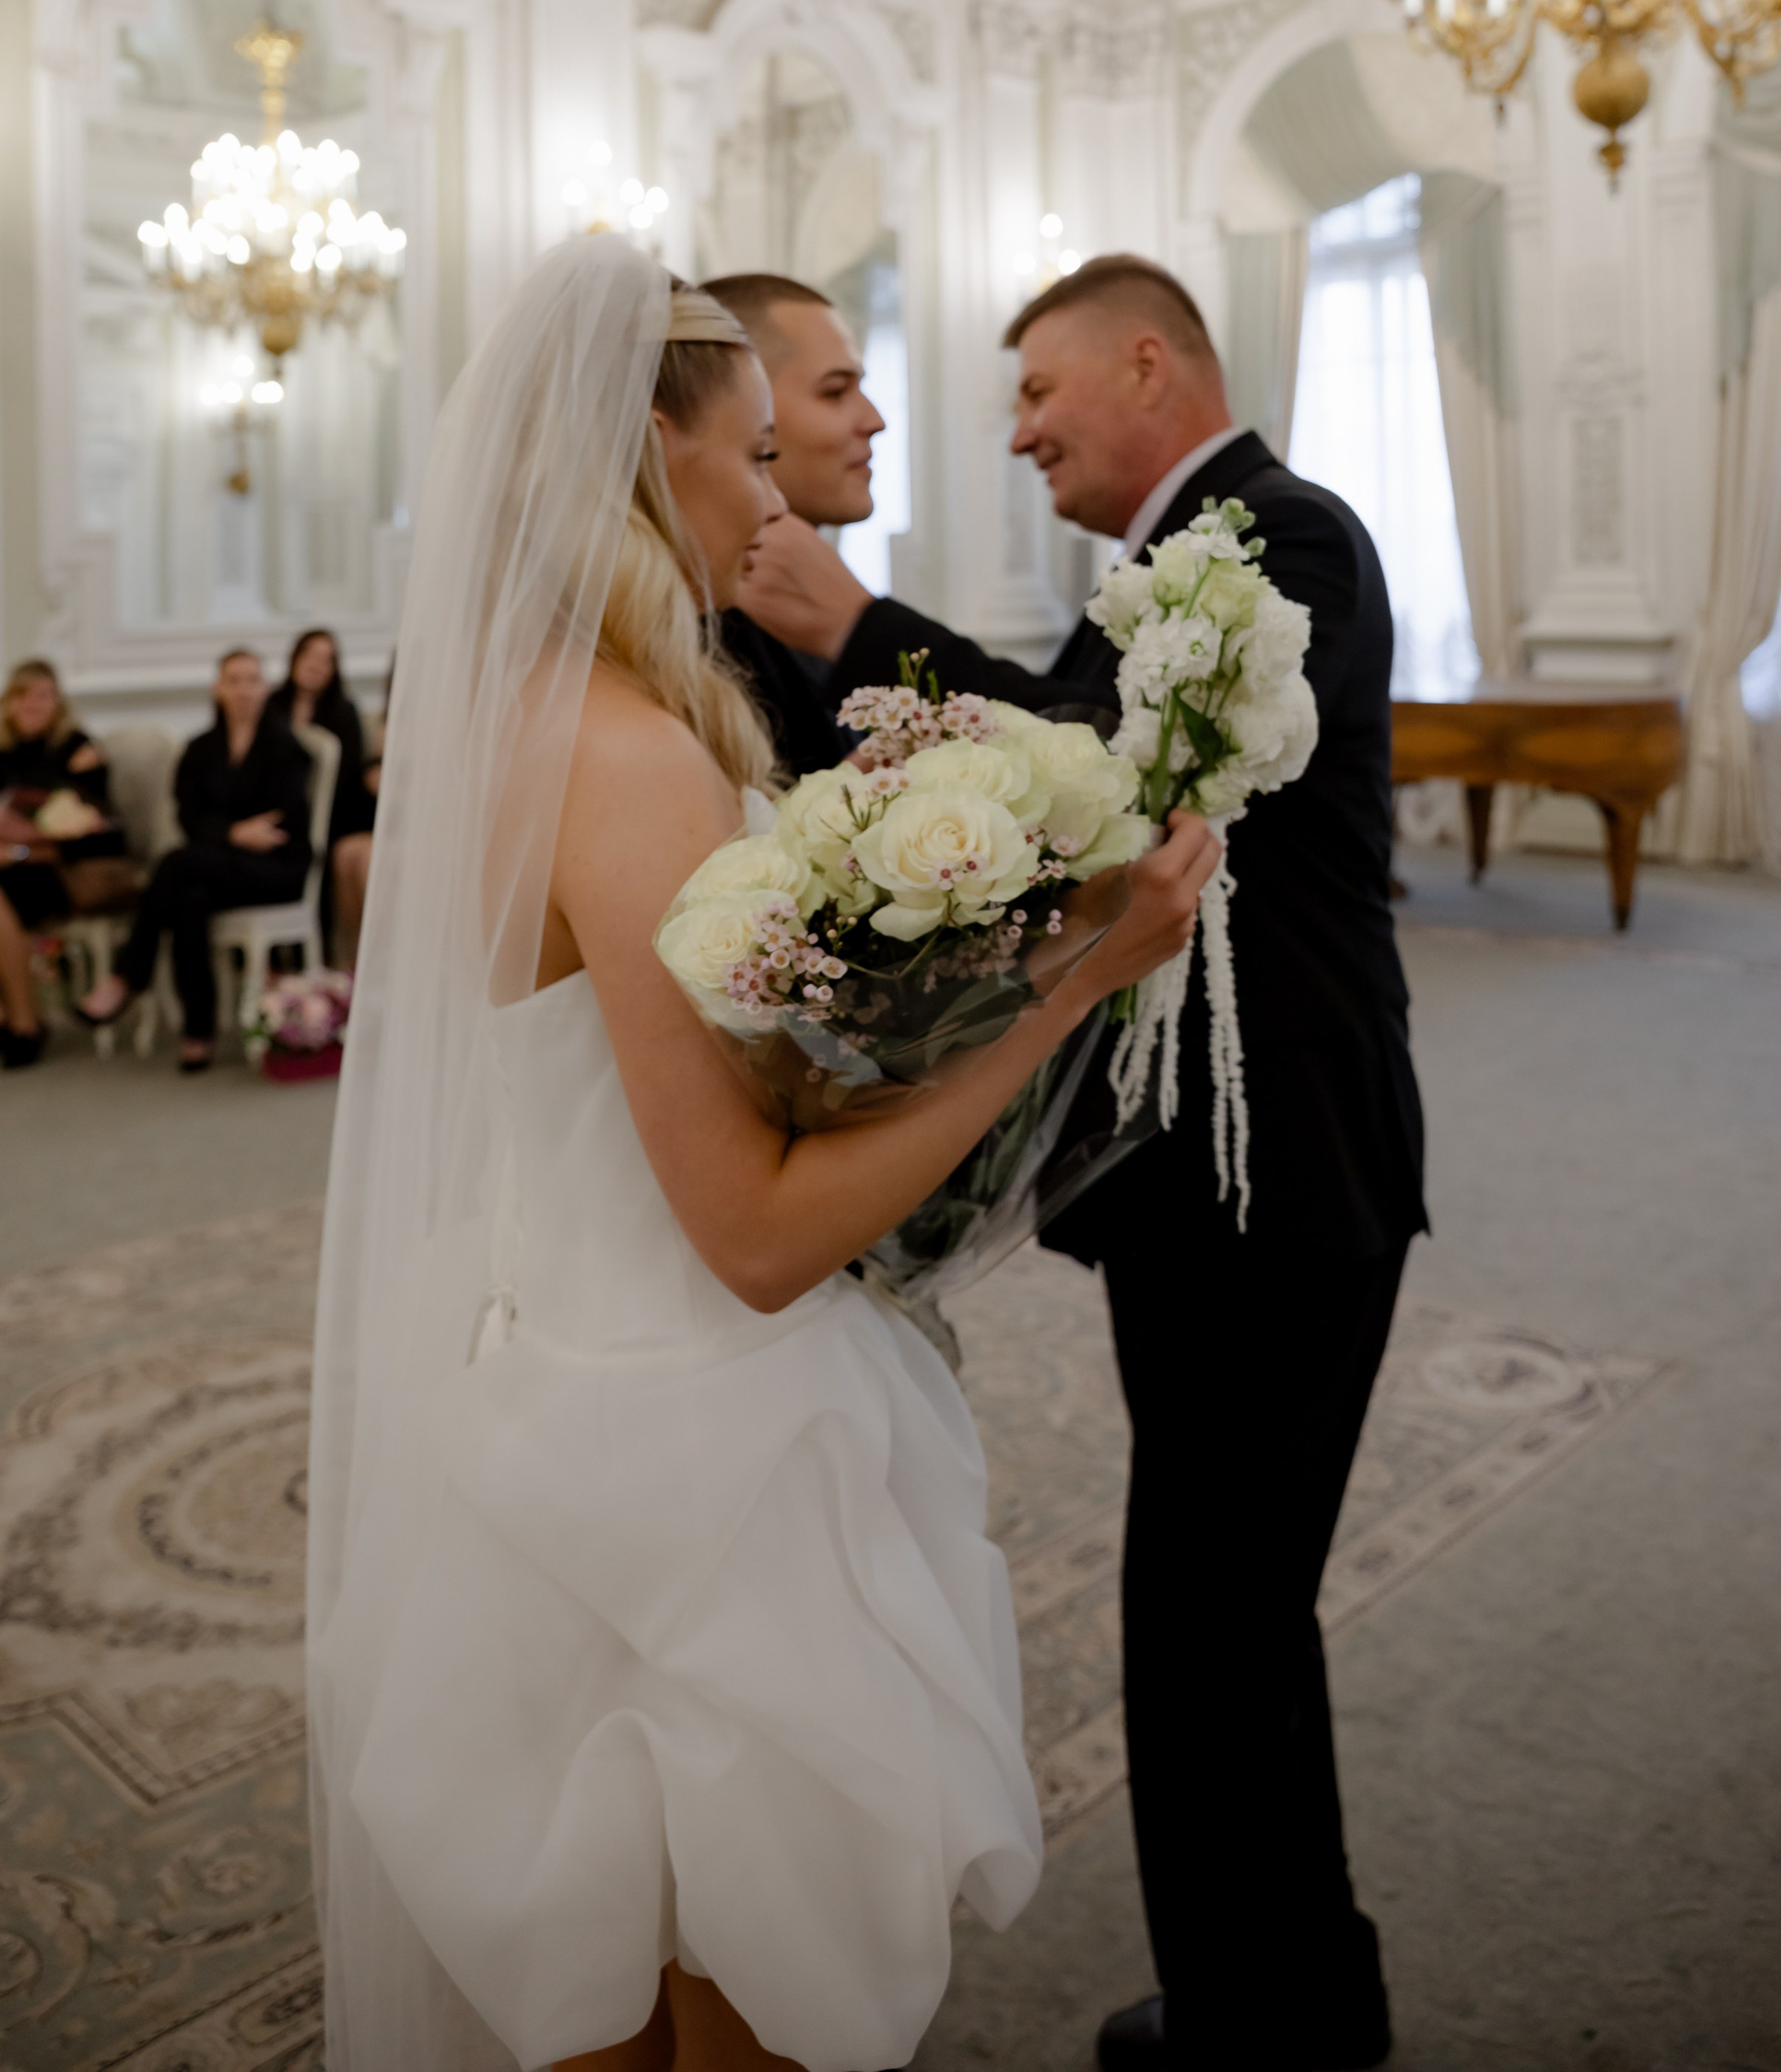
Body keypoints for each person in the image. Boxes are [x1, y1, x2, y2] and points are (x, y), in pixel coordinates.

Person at [303, 237, 1217, 2072]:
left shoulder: (510, 725)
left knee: (611, 1991)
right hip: (683, 1445)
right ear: (652, 455)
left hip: (529, 1383)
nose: (774, 494)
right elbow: (747, 1226)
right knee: (742, 2002)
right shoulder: (628, 754)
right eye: (747, 455)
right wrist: (1072, 980)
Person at [736, 251, 1427, 2072]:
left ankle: (1248, 2020)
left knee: (1204, 1624)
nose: (1014, 428)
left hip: (1280, 1171)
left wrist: (857, 623)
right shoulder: (1159, 573)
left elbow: (1100, 790)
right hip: (1206, 1180)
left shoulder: (1289, 540)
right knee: (1227, 1615)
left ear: (1146, 361)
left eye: (1036, 389)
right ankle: (1294, 1993)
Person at [78, 647, 311, 1072]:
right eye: (234, 680)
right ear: (218, 688)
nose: (243, 690)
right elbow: (188, 815)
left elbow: (282, 822)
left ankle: (127, 975)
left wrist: (221, 833)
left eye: (252, 680)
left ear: (266, 688)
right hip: (217, 867)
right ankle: (198, 1031)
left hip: (277, 870)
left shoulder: (285, 746)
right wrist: (235, 833)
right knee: (190, 897)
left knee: (175, 865)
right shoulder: (202, 748)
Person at [697, 271, 887, 772]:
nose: (874, 419)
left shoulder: (824, 595)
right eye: (835, 391)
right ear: (746, 403)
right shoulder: (706, 628)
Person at [0, 658, 122, 1072]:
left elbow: (98, 835)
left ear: (58, 702)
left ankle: (27, 1023)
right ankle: (7, 1012)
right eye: (25, 695)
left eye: (45, 695)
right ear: (9, 703)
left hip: (59, 871)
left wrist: (14, 854)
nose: (34, 704)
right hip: (6, 870)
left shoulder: (80, 749)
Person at [264, 627, 375, 963]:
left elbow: (348, 777)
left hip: (335, 815)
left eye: (326, 660)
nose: (316, 666)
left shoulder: (343, 712)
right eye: (310, 656)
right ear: (295, 659)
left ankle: (320, 956)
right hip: (283, 812)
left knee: (319, 849)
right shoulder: (272, 706)